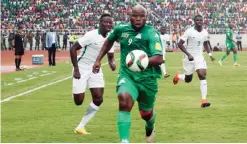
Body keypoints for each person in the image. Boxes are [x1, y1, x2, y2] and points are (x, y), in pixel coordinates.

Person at [93, 5, 164, 143]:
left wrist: (140, 61)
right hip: (128, 76)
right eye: (135, 16)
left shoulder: (151, 33)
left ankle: (150, 125)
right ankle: (124, 141)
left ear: (146, 17)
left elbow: (159, 58)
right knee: (124, 100)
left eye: (141, 16)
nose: (138, 19)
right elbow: (108, 42)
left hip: (147, 80)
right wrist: (98, 60)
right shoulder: (121, 29)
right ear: (130, 16)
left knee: (146, 114)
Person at [70, 13, 116, 135]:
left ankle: (81, 126)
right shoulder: (91, 35)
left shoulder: (110, 38)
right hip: (82, 68)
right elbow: (73, 48)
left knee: (98, 99)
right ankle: (76, 88)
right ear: (100, 23)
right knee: (78, 101)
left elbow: (111, 56)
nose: (108, 24)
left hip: (95, 70)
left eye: (110, 22)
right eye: (105, 22)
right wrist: (76, 69)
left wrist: (112, 63)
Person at [173, 15, 215, 108]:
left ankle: (204, 100)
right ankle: (179, 76)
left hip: (199, 56)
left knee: (202, 75)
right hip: (188, 57)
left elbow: (205, 43)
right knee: (188, 79)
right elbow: (180, 44)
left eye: (201, 20)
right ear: (194, 21)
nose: (199, 21)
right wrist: (188, 54)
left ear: (203, 21)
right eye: (197, 20)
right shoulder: (189, 32)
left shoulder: (205, 32)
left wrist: (210, 54)